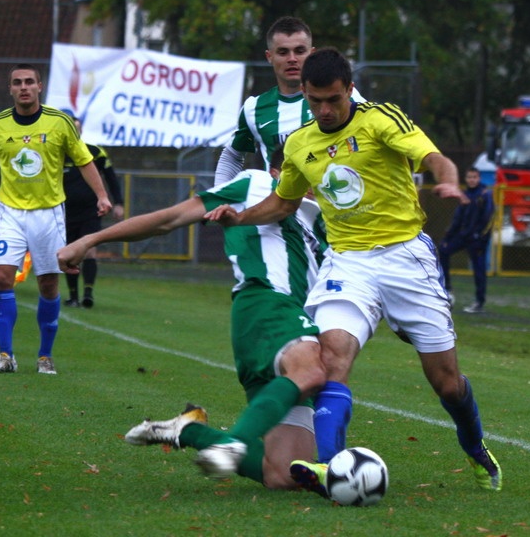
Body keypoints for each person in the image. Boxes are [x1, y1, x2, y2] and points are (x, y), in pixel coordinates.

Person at [207, 47, 502, 495]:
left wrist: (449, 178)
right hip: (348, 262)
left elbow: (432, 156)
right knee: (331, 359)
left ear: (349, 90)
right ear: (304, 93)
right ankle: (331, 466)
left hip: (407, 258)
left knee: (446, 383)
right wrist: (239, 216)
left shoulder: (382, 119)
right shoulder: (301, 143)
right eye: (315, 101)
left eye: (333, 100)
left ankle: (476, 446)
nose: (324, 110)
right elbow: (285, 201)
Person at [57, 149, 328, 489]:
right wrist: (90, 239)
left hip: (285, 325)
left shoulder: (325, 221)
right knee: (312, 370)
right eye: (307, 166)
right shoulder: (255, 183)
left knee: (284, 475)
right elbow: (168, 218)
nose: (315, 178)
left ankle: (190, 430)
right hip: (268, 304)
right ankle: (230, 444)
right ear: (279, 169)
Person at [0, 63, 112, 375]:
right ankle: (5, 355)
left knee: (48, 284)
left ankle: (44, 356)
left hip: (48, 214)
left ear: (39, 86)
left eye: (29, 82)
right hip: (10, 212)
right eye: (17, 83)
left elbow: (85, 161)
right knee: (1, 278)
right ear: (10, 89)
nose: (23, 87)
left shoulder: (60, 122)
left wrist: (102, 195)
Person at [214, 16, 362, 184]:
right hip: (280, 206)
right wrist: (220, 195)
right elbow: (232, 156)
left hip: (332, 203)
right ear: (269, 56)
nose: (292, 59)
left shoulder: (345, 96)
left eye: (299, 51)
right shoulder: (254, 108)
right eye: (283, 52)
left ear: (312, 54)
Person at [62, 118, 125, 309]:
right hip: (65, 211)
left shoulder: (95, 152)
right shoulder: (57, 153)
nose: (75, 131)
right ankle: (73, 297)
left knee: (90, 250)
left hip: (91, 210)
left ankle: (88, 294)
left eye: (77, 128)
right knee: (69, 254)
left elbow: (111, 178)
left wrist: (118, 202)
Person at [439, 167, 494, 313]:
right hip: (464, 236)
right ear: (466, 179)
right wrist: (448, 236)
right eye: (469, 177)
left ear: (479, 178)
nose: (472, 180)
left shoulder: (485, 194)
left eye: (474, 177)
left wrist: (480, 237)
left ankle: (479, 301)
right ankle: (447, 288)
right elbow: (458, 218)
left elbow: (488, 219)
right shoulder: (465, 195)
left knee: (479, 270)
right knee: (443, 250)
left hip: (477, 239)